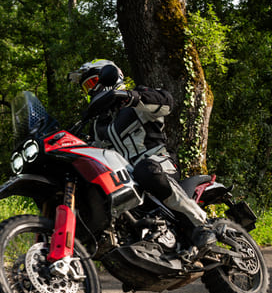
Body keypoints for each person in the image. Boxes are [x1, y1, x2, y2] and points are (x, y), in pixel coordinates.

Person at [68, 59, 216, 251]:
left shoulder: (135, 102)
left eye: (92, 82)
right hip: (126, 176)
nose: (91, 90)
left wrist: (132, 97)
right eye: (86, 87)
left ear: (109, 76)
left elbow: (166, 102)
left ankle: (201, 224)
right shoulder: (99, 125)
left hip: (157, 162)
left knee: (145, 170)